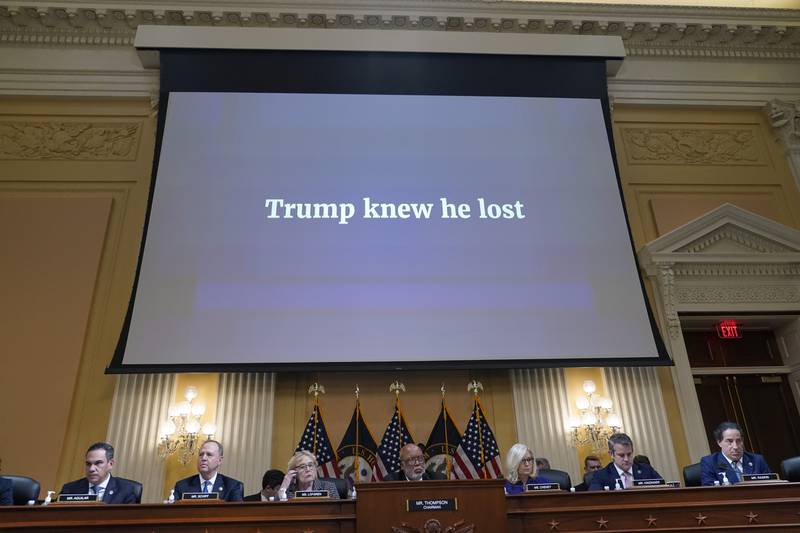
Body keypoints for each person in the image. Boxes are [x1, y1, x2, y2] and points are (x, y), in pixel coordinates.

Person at [60, 442, 140, 503]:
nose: (91, 469)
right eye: (88, 464)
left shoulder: (127, 490)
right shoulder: (69, 489)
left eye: (98, 463)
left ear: (110, 464)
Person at [700, 421, 771, 486]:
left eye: (738, 441)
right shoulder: (710, 463)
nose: (735, 446)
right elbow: (710, 492)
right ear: (719, 442)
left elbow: (771, 486)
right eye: (730, 441)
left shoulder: (757, 460)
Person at [173, 440, 243, 501]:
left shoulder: (232, 486)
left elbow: (237, 513)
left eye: (209, 455)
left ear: (220, 460)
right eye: (201, 454)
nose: (203, 458)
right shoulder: (182, 486)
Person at [589, 433, 663, 490]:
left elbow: (663, 489)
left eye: (629, 454)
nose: (626, 459)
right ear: (611, 454)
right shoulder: (601, 475)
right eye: (621, 455)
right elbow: (594, 500)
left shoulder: (646, 470)